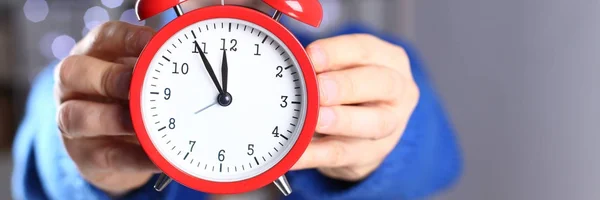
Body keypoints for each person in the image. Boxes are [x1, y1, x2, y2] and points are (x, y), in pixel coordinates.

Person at [11, 0, 463, 199]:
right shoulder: (109, 60)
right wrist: (84, 163)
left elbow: (437, 155)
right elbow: (42, 139)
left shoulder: (353, 54)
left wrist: (381, 143)